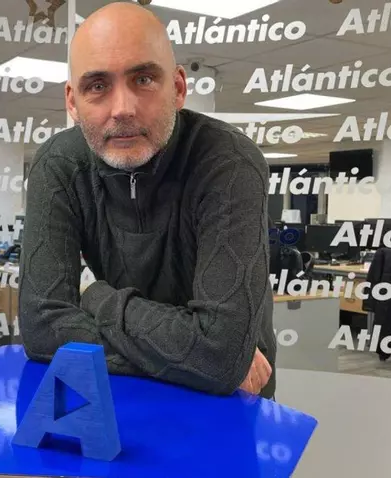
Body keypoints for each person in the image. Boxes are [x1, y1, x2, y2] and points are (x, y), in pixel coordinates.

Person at [19, 3, 275, 398]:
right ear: (72, 101)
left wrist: (95, 297)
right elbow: (41, 329)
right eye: (97, 86)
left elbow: (221, 354)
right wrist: (199, 360)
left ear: (178, 88)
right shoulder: (59, 165)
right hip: (121, 396)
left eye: (143, 79)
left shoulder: (229, 162)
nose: (123, 109)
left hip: (227, 402)